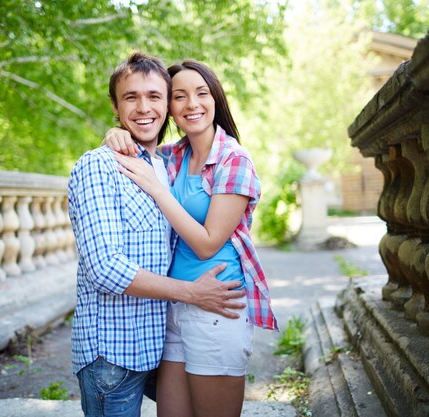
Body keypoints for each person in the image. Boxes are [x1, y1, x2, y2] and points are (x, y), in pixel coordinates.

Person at [68, 52, 247, 417]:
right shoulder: (101, 164)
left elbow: (203, 235)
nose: (143, 107)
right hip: (113, 354)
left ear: (166, 106)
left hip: (159, 340)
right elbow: (104, 268)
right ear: (116, 107)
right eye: (130, 97)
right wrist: (190, 293)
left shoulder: (166, 165)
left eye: (154, 97)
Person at [104, 59, 278, 417]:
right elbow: (135, 142)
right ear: (170, 107)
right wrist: (114, 133)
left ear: (216, 98)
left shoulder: (234, 160)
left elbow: (208, 242)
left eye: (201, 93)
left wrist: (157, 190)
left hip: (217, 306)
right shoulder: (172, 157)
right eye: (179, 96)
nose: (191, 104)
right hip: (175, 306)